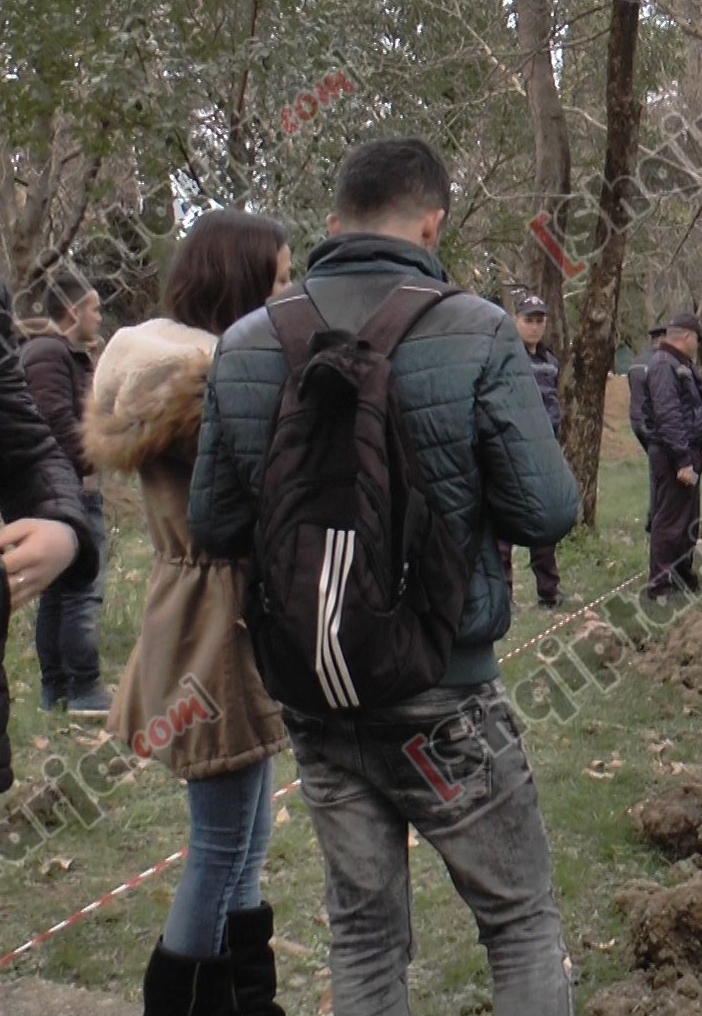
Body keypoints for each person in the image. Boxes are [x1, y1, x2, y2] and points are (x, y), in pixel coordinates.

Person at [189, 137, 581, 1016]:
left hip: (319, 699)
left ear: (332, 224)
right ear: (433, 222)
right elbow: (548, 512)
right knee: (518, 924)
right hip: (446, 695)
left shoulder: (250, 343)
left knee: (362, 939)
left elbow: (214, 522)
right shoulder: (477, 328)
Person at [84, 210, 295, 1016]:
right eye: (277, 279)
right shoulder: (204, 386)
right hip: (215, 619)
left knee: (245, 837)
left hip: (211, 610)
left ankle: (241, 999)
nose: (288, 292)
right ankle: (185, 1004)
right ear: (239, 283)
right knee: (219, 842)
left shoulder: (181, 373)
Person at [1, 348, 98, 796]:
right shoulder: (47, 355)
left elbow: (29, 445)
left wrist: (61, 520)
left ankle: (68, 684)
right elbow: (60, 420)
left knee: (68, 599)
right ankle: (66, 685)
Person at [18, 272, 110, 716]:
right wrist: (95, 459)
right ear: (73, 312)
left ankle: (55, 692)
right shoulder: (48, 354)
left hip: (60, 491)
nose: (99, 315)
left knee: (58, 594)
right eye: (93, 307)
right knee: (82, 590)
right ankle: (84, 690)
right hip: (67, 492)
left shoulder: (65, 356)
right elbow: (53, 419)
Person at [497, 294, 564, 608]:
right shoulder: (505, 357)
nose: (535, 327)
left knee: (543, 523)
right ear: (515, 321)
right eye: (528, 320)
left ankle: (548, 590)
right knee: (503, 526)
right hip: (511, 451)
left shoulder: (550, 361)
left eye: (539, 320)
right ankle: (503, 595)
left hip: (544, 452)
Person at [642, 312, 702, 603]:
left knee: (688, 519)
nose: (698, 344)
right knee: (670, 521)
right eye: (697, 339)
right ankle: (659, 588)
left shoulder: (680, 364)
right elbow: (668, 415)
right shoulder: (663, 366)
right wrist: (682, 460)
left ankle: (684, 576)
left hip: (688, 452)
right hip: (674, 456)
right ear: (686, 337)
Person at [628, 324, 666, 531]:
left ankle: (656, 516)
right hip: (654, 424)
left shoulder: (635, 364)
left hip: (636, 421)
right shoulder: (661, 363)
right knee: (659, 472)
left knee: (656, 469)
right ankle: (655, 518)